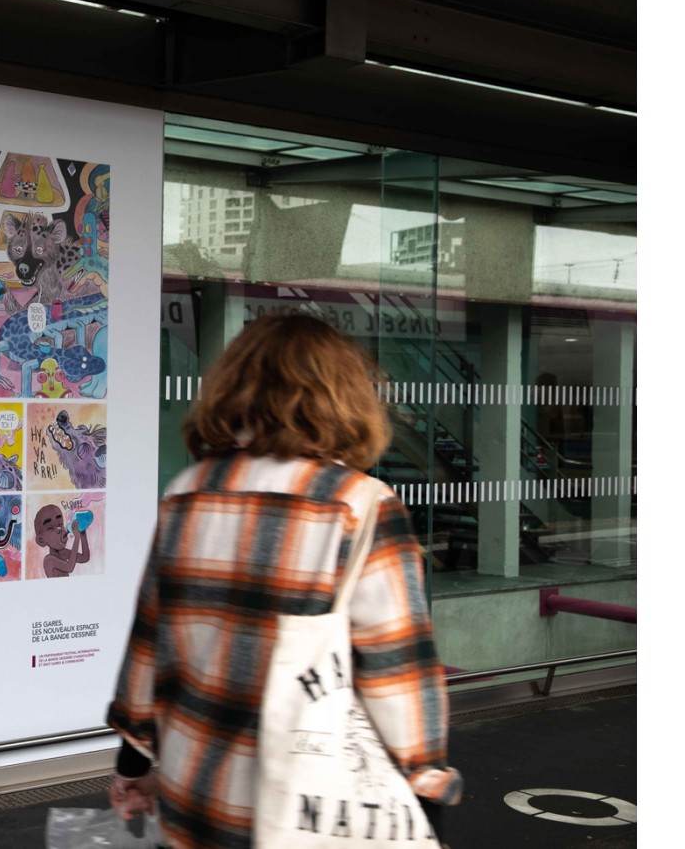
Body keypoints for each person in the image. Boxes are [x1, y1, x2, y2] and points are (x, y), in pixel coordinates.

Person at [106, 314, 461, 848]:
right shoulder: (361, 504)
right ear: (344, 395)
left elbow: (149, 645)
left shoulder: (187, 492)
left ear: (234, 388)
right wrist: (427, 787)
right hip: (307, 812)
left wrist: (133, 762)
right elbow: (396, 669)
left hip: (192, 801)